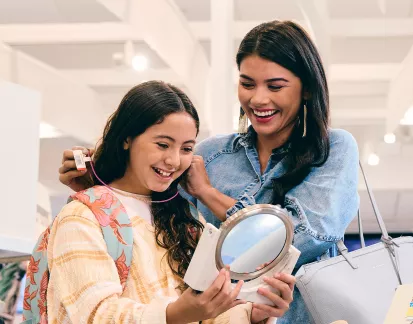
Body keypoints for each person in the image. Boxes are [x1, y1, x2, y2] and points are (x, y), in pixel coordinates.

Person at [58, 21, 360, 323]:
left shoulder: (333, 148)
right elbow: (155, 217)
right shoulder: (211, 154)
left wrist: (207, 193)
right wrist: (97, 188)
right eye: (247, 83)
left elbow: (304, 237)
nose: (258, 99)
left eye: (275, 86)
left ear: (306, 88)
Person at [47, 81, 294, 324]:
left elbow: (205, 317)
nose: (174, 160)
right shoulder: (82, 216)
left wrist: (254, 314)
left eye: (186, 148)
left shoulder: (185, 217)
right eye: (163, 144)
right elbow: (93, 315)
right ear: (127, 139)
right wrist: (175, 314)